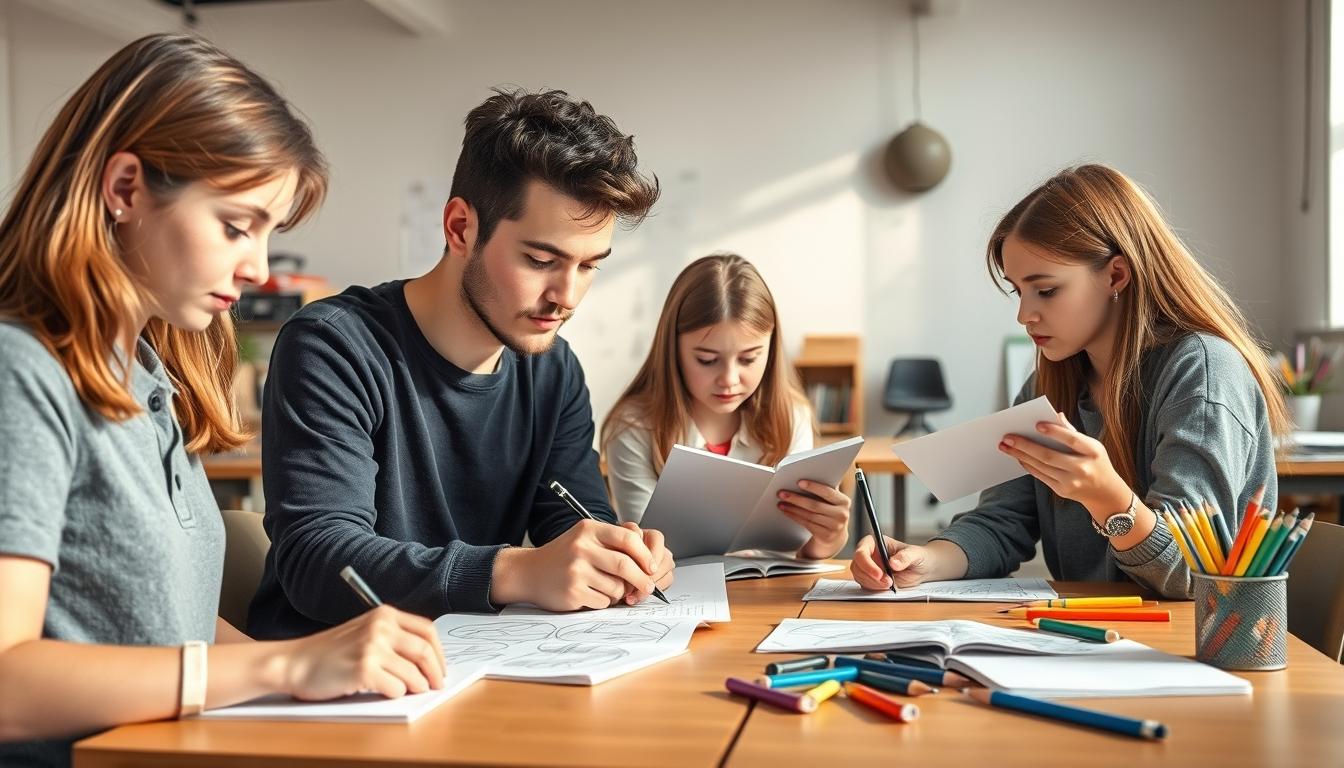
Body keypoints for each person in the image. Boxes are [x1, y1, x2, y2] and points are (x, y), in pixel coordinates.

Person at [0, 35, 445, 768]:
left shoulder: (144, 373)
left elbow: (160, 627)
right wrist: (284, 669)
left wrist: (320, 665)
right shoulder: (22, 371)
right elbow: (10, 683)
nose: (260, 268)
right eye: (237, 226)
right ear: (124, 190)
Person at [248, 87, 670, 639]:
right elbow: (322, 562)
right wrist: (511, 570)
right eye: (541, 260)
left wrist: (616, 556)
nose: (567, 295)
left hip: (467, 665)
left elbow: (573, 516)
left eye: (590, 265)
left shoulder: (553, 369)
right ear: (460, 228)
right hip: (326, 684)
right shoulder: (334, 346)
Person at [851, 164, 1289, 599]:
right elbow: (1002, 521)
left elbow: (1193, 574)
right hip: (1089, 638)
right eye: (1017, 291)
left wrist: (1108, 498)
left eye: (1046, 290)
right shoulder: (1052, 381)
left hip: (1194, 647)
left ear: (1116, 275)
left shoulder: (1203, 370)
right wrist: (926, 561)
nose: (1024, 315)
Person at [602, 253, 851, 560]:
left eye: (748, 359)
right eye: (707, 360)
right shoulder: (634, 426)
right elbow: (650, 551)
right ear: (674, 349)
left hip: (768, 597)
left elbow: (800, 548)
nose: (729, 380)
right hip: (680, 599)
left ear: (771, 350)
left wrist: (830, 537)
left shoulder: (791, 416)